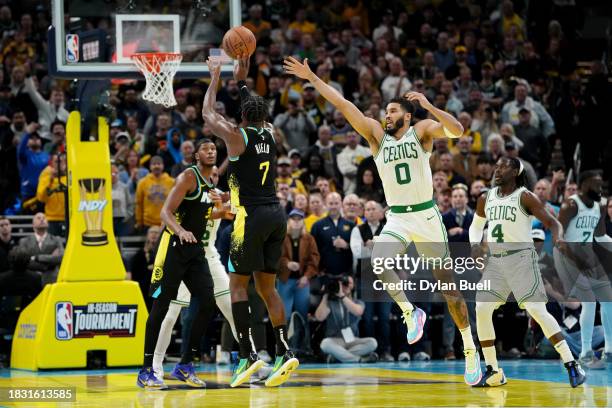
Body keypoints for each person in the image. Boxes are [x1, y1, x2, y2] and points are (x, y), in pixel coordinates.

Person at [284, 56, 481, 384]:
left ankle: (470, 350)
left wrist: (429, 105)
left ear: (406, 115)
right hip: (399, 218)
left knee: (449, 288)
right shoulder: (376, 136)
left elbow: (458, 130)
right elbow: (343, 103)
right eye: (385, 112)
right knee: (378, 261)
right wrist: (311, 77)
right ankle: (409, 312)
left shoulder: (421, 131)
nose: (385, 115)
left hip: (427, 215)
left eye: (391, 111)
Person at [202, 57, 298, 387]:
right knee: (268, 289)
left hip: (251, 217)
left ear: (242, 115)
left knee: (237, 286)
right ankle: (285, 351)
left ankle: (248, 354)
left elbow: (207, 114)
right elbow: (253, 107)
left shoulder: (235, 137)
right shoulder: (270, 133)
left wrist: (215, 78)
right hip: (276, 215)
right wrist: (242, 83)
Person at [469, 156, 586, 388]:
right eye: (497, 165)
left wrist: (560, 238)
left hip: (522, 260)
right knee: (482, 307)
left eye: (504, 166)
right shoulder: (486, 198)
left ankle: (572, 364)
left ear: (516, 172)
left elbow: (553, 223)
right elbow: (475, 227)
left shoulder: (525, 197)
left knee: (536, 310)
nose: (497, 169)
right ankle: (493, 371)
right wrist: (474, 245)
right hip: (496, 262)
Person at [136, 139, 220, 389]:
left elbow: (203, 214)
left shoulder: (210, 184)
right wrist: (181, 231)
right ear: (196, 156)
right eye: (206, 149)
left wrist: (223, 207)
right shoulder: (188, 177)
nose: (211, 151)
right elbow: (165, 212)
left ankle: (184, 365)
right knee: (161, 307)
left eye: (214, 149)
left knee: (208, 302)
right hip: (173, 247)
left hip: (195, 251)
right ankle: (146, 370)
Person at [152, 165, 242, 381]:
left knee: (232, 308)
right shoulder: (189, 195)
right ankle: (155, 364)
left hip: (209, 257)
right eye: (208, 174)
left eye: (216, 175)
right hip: (184, 256)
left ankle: (251, 357)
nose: (212, 177)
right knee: (171, 314)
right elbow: (216, 212)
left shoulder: (220, 195)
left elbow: (232, 210)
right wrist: (223, 202)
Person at [553, 170, 612, 365]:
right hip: (567, 257)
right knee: (589, 301)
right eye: (596, 185)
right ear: (584, 185)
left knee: (608, 300)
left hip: (588, 256)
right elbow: (559, 240)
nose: (600, 189)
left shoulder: (600, 205)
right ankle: (586, 352)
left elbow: (600, 235)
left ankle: (609, 350)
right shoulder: (570, 204)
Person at [315, 275, 378, 363]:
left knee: (372, 342)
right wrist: (325, 295)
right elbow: (319, 317)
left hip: (353, 340)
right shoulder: (330, 302)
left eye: (347, 283)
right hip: (335, 340)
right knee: (325, 344)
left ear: (352, 286)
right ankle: (358, 359)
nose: (345, 286)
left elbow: (358, 311)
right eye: (343, 284)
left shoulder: (357, 302)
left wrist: (342, 296)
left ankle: (338, 357)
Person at [278, 209, 320, 322]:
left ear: (303, 222)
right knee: (284, 316)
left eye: (299, 219)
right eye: (293, 219)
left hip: (303, 282)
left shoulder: (309, 239)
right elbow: (274, 258)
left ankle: (303, 340)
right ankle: (284, 339)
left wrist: (306, 276)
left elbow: (314, 260)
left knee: (302, 317)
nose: (296, 222)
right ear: (289, 221)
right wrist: (287, 264)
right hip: (284, 281)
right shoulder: (281, 237)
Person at [311, 192, 354, 278]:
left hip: (346, 274)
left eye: (336, 203)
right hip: (324, 274)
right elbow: (313, 251)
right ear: (325, 204)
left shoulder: (351, 225)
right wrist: (317, 269)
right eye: (331, 203)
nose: (333, 206)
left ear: (341, 204)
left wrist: (347, 245)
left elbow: (358, 249)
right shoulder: (317, 225)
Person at [17, 212, 63, 286]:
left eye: (44, 218)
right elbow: (23, 260)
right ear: (33, 224)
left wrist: (36, 257)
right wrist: (49, 262)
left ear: (48, 223)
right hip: (30, 280)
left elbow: (60, 258)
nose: (42, 220)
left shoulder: (56, 240)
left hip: (52, 280)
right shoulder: (24, 241)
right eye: (38, 218)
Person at [135, 156, 174, 230]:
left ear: (163, 166)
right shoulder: (142, 182)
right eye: (154, 164)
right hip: (147, 223)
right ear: (150, 166)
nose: (156, 166)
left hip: (167, 223)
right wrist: (139, 221)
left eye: (159, 164)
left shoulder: (171, 182)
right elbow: (139, 203)